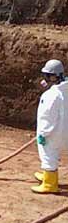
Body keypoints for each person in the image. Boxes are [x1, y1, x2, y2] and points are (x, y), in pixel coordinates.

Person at [32, 59, 68, 194]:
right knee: (54, 152)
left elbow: (47, 117)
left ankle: (50, 183)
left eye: (47, 76)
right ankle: (48, 175)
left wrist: (42, 134)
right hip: (66, 129)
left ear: (53, 77)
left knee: (48, 153)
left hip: (54, 132)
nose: (45, 79)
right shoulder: (65, 89)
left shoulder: (51, 95)